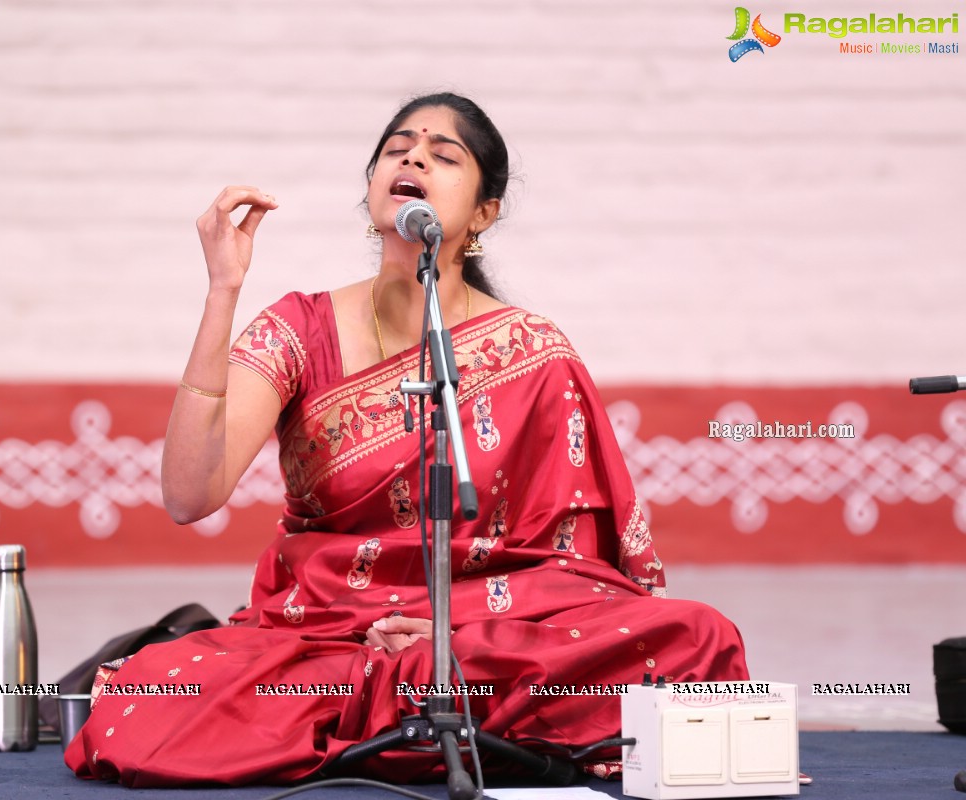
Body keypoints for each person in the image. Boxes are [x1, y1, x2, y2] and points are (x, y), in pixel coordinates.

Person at [65, 92, 749, 787]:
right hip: (329, 640)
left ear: (485, 212)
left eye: (444, 155)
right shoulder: (300, 329)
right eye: (396, 149)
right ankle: (452, 722)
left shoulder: (536, 354)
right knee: (161, 695)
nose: (414, 155)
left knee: (698, 637)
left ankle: (404, 712)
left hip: (487, 640)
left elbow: (577, 569)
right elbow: (188, 494)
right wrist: (222, 291)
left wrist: (457, 629)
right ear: (372, 191)